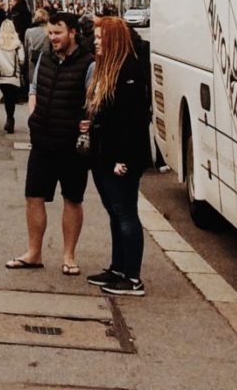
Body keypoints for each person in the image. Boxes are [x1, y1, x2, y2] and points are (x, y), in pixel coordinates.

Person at [6, 12, 94, 275]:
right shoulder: (44, 57)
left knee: (72, 199)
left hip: (71, 146)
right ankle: (34, 253)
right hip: (42, 141)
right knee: (33, 197)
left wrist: (87, 122)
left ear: (72, 33)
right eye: (50, 33)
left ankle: (69, 256)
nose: (52, 37)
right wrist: (33, 116)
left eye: (58, 33)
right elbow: (33, 89)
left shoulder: (88, 64)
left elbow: (93, 102)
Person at [82, 17, 152, 296]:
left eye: (101, 38)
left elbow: (134, 120)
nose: (95, 41)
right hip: (103, 153)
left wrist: (123, 158)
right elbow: (109, 114)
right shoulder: (105, 68)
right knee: (114, 212)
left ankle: (133, 278)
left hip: (120, 157)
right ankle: (118, 268)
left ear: (114, 40)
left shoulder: (128, 70)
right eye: (95, 37)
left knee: (125, 213)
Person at [0, 18, 25, 133]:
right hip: (14, 76)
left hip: (1, 76)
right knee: (11, 98)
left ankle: (9, 118)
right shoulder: (17, 44)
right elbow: (22, 60)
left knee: (7, 96)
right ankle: (10, 118)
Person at [23, 8, 50, 87]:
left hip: (33, 65)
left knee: (33, 91)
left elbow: (26, 50)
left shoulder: (29, 32)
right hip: (47, 65)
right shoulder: (50, 31)